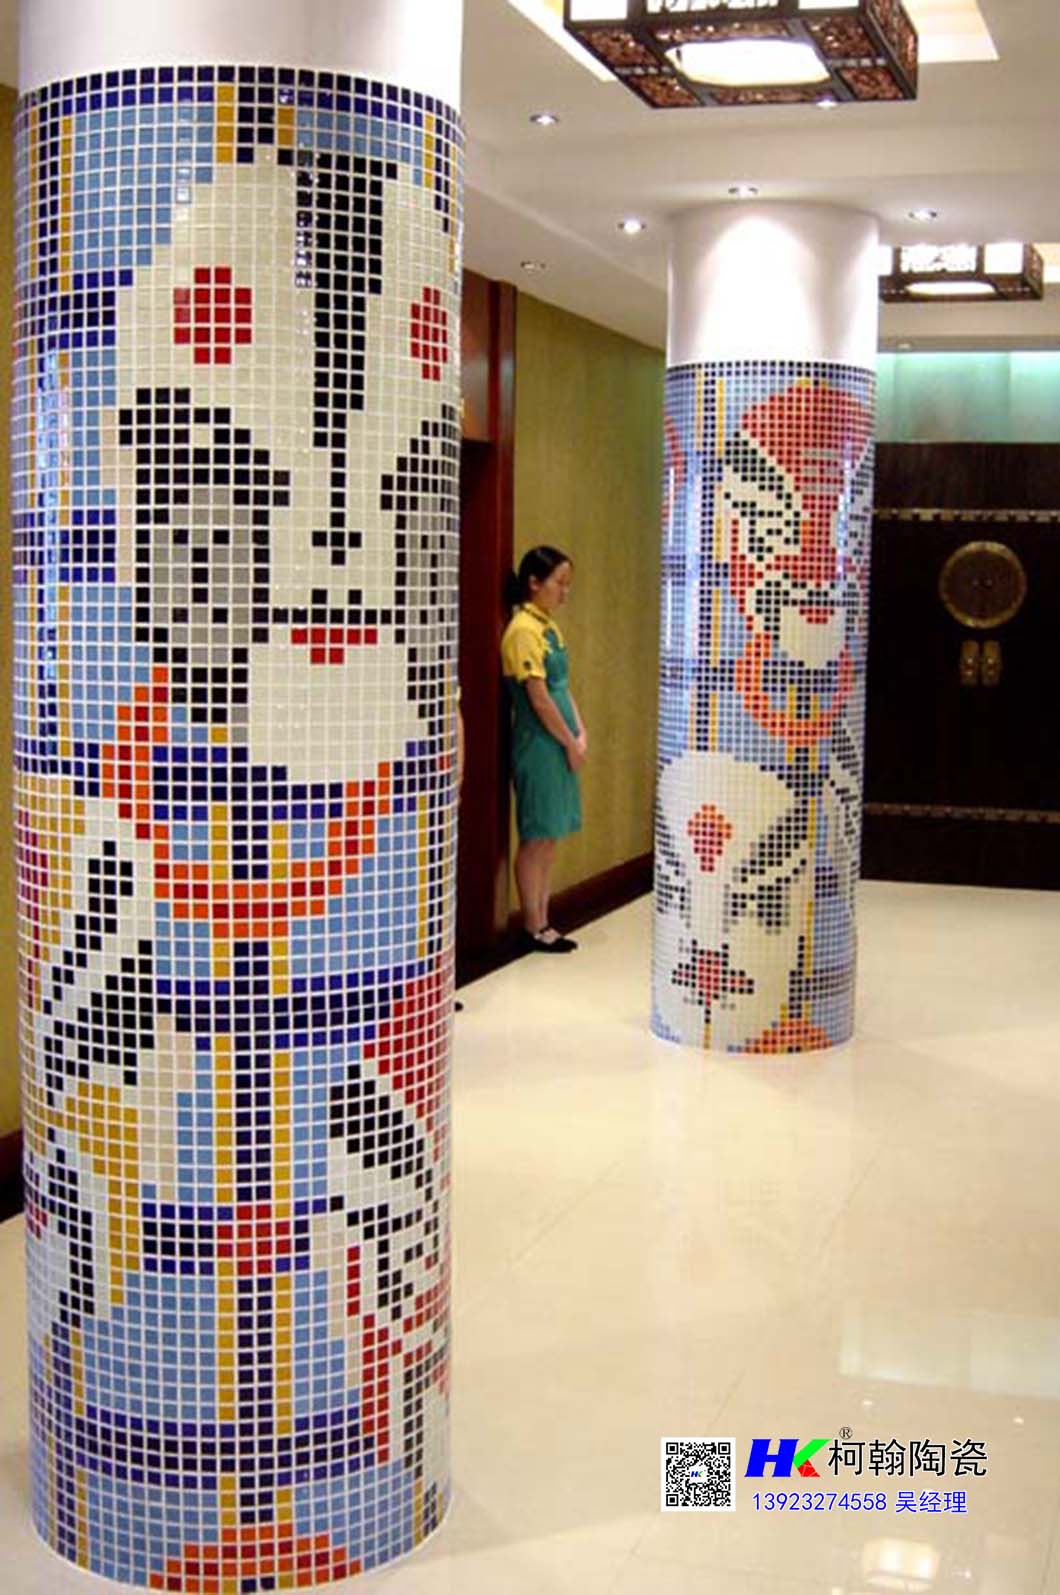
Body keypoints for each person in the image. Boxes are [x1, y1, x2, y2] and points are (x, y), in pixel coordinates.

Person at [501, 546, 587, 953]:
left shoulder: (548, 626)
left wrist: (580, 732)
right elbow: (538, 698)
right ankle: (533, 925)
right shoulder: (523, 630)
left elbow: (562, 688)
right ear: (534, 583)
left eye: (568, 584)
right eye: (559, 583)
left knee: (551, 835)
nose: (565, 592)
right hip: (539, 743)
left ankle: (545, 917)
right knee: (537, 834)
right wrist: (568, 741)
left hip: (560, 741)